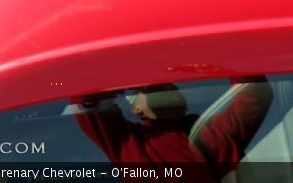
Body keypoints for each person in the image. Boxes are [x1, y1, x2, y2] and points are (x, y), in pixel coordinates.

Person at [75, 77, 273, 180]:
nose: (168, 87)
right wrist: (124, 78)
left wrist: (220, 49)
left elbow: (254, 96)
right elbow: (85, 101)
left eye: (171, 86)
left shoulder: (212, 131)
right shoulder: (128, 143)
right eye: (152, 89)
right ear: (135, 108)